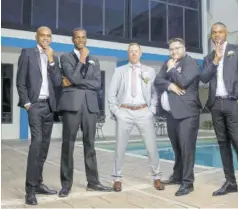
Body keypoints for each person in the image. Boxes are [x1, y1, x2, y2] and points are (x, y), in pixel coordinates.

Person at [200, 22, 238, 206]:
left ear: (226, 33)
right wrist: (216, 60)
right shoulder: (208, 58)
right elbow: (204, 78)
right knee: (223, 145)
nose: (217, 35)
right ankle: (230, 182)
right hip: (216, 105)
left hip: (233, 103)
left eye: (220, 32)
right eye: (214, 32)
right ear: (211, 36)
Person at [58, 28, 112, 197]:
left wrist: (76, 82)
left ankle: (93, 182)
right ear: (73, 40)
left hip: (90, 106)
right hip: (72, 105)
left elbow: (97, 84)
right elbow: (72, 77)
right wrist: (81, 60)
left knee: (90, 145)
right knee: (68, 145)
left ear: (86, 39)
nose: (81, 40)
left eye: (83, 37)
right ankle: (66, 184)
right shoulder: (65, 57)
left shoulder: (95, 59)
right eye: (77, 38)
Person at [108, 43, 165, 192]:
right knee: (120, 147)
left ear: (140, 53)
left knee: (151, 146)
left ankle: (156, 177)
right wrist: (116, 111)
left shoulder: (150, 71)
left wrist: (152, 110)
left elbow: (154, 92)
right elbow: (111, 93)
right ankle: (117, 178)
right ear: (128, 54)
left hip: (143, 112)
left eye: (136, 51)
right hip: (124, 112)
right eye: (131, 51)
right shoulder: (119, 71)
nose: (133, 54)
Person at [16, 26, 62, 205]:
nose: (45, 38)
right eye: (42, 35)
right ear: (36, 37)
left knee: (44, 147)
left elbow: (58, 82)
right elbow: (20, 82)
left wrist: (51, 61)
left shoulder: (54, 57)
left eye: (48, 36)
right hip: (34, 106)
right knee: (36, 145)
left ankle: (39, 183)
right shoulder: (27, 53)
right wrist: (27, 104)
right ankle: (30, 190)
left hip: (49, 107)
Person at [154, 38, 202, 196]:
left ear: (184, 48)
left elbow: (184, 81)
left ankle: (188, 183)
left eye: (177, 48)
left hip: (187, 114)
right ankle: (177, 176)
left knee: (187, 149)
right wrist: (169, 85)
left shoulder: (192, 63)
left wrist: (172, 70)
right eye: (171, 49)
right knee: (177, 148)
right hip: (172, 114)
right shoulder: (168, 63)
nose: (173, 52)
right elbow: (157, 81)